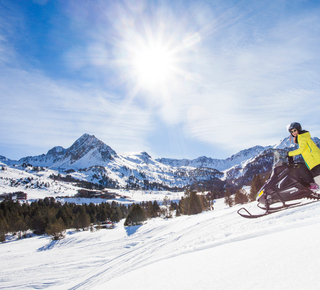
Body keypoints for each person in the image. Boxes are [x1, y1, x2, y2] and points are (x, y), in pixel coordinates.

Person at [287, 122, 320, 188]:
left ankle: (313, 185)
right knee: (302, 168)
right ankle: (312, 185)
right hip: (313, 159)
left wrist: (289, 154)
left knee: (302, 169)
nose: (294, 132)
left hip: (315, 159)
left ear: (298, 129)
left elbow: (301, 149)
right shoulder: (302, 136)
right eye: (292, 131)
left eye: (295, 130)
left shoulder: (301, 137)